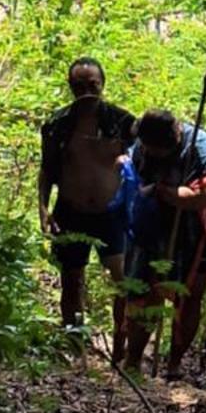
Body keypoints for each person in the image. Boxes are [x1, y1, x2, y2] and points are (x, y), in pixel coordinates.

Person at [38, 58, 136, 359]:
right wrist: (43, 209)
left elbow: (143, 162)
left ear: (102, 84)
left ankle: (121, 351)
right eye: (79, 86)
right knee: (71, 280)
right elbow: (48, 170)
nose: (86, 91)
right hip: (71, 210)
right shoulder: (57, 125)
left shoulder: (121, 121)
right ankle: (75, 349)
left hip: (112, 214)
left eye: (92, 84)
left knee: (122, 281)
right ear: (70, 87)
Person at [123, 108, 206, 381]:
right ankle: (132, 362)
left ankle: (174, 365)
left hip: (197, 229)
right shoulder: (140, 147)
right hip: (153, 225)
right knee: (145, 290)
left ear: (176, 135)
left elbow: (203, 196)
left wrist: (166, 193)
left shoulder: (203, 149)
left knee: (188, 295)